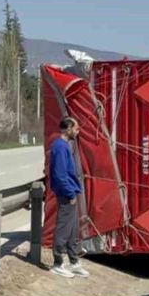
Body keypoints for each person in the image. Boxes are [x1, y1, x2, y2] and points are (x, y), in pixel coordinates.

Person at [49, 117, 90, 279]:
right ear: (68, 129)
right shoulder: (60, 147)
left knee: (73, 229)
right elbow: (60, 174)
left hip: (71, 192)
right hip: (67, 194)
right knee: (64, 228)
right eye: (76, 129)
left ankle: (74, 262)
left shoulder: (65, 146)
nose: (78, 132)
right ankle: (58, 263)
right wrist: (69, 193)